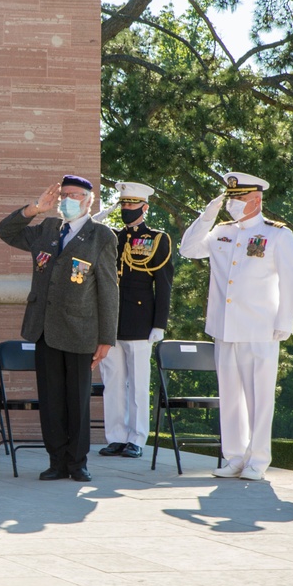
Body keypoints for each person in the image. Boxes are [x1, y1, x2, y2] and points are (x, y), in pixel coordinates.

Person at [179, 172, 293, 481]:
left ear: (256, 200)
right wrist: (207, 215)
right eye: (230, 199)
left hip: (260, 329)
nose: (231, 204)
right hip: (225, 329)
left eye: (238, 199)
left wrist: (284, 321)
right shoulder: (221, 231)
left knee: (260, 398)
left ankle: (257, 461)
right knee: (231, 398)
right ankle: (234, 457)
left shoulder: (276, 234)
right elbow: (188, 248)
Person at [0, 175, 118, 482]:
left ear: (89, 201)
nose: (67, 199)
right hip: (44, 328)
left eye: (75, 195)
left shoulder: (100, 235)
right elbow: (6, 232)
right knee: (51, 399)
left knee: (76, 400)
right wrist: (35, 209)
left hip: (80, 330)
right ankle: (56, 461)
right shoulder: (48, 229)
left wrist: (106, 338)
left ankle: (77, 463)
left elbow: (108, 289)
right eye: (64, 194)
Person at [93, 182, 174, 459]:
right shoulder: (110, 236)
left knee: (138, 384)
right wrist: (104, 214)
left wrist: (159, 324)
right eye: (123, 204)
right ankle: (116, 437)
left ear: (144, 207)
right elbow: (89, 233)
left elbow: (163, 284)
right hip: (111, 321)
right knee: (113, 381)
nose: (127, 209)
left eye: (132, 204)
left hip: (141, 321)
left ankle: (137, 438)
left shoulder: (157, 238)